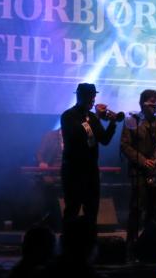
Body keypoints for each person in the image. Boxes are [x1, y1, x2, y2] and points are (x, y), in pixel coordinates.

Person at [121, 89, 156, 244]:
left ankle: (149, 243)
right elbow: (124, 145)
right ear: (143, 103)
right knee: (137, 208)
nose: (155, 104)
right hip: (140, 171)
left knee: (153, 210)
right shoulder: (132, 120)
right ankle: (131, 243)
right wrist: (143, 161)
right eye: (152, 101)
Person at [60, 83, 118, 226]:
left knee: (92, 210)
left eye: (93, 96)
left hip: (91, 170)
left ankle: (90, 237)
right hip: (73, 170)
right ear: (81, 97)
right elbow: (78, 135)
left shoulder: (92, 117)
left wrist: (112, 123)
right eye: (90, 96)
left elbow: (104, 140)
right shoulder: (68, 115)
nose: (93, 100)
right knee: (72, 209)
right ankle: (68, 238)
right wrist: (96, 118)